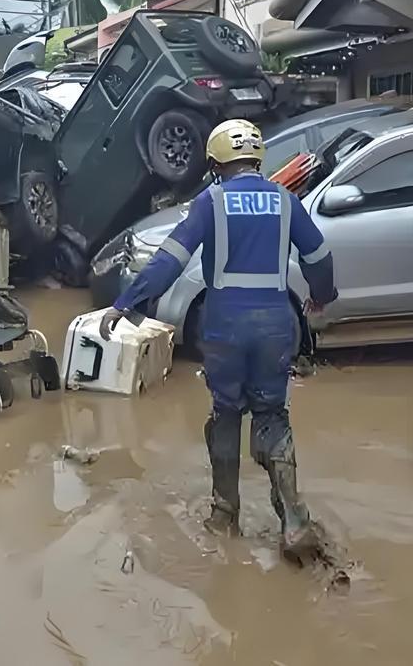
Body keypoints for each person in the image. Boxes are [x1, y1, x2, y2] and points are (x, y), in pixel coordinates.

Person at [100, 119, 338, 554]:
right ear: (256, 158)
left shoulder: (211, 201)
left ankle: (224, 517)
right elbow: (320, 256)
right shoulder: (286, 201)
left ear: (215, 163)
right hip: (274, 325)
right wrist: (322, 298)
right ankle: (294, 522)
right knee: (273, 415)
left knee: (226, 413)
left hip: (225, 326)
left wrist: (127, 303)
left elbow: (170, 260)